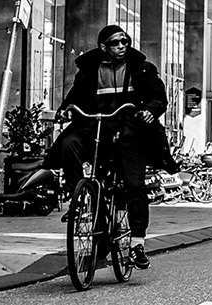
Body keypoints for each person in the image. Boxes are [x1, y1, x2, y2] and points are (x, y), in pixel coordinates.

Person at [44, 24, 167, 270]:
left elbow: (158, 97)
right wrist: (65, 109)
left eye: (125, 41)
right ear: (103, 47)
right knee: (69, 144)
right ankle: (80, 198)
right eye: (115, 42)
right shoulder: (90, 70)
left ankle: (137, 244)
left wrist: (149, 111)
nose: (122, 46)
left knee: (134, 184)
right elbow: (75, 97)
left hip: (129, 130)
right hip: (95, 127)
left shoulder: (142, 69)